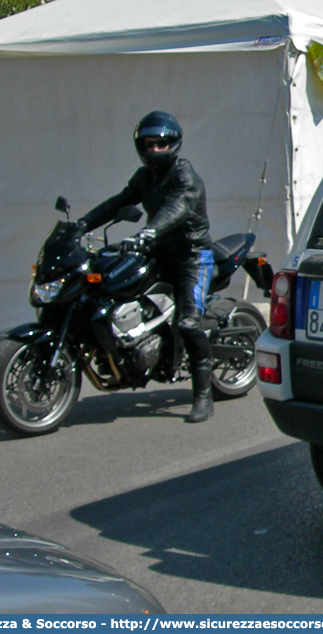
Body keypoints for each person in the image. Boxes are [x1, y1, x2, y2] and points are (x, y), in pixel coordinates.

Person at [78, 111, 216, 423]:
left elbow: (177, 207)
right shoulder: (145, 177)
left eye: (160, 143)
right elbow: (119, 201)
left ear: (173, 143)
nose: (153, 149)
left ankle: (203, 395)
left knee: (189, 323)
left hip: (191, 257)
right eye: (148, 143)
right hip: (156, 253)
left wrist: (149, 231)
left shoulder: (185, 176)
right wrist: (82, 224)